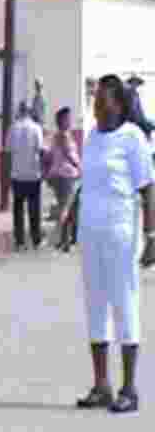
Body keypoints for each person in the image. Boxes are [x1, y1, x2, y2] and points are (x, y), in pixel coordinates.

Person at [68, 74, 155, 413]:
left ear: (118, 105)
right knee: (95, 306)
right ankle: (101, 385)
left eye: (103, 104)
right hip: (91, 234)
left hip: (121, 234)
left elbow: (148, 189)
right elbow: (85, 184)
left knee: (124, 303)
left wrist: (151, 236)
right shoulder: (91, 138)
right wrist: (70, 220)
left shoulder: (132, 138)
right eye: (94, 104)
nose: (97, 110)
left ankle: (129, 388)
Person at [7, 100, 46, 250]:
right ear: (30, 112)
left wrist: (9, 173)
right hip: (33, 174)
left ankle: (19, 241)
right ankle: (36, 240)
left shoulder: (13, 128)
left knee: (18, 209)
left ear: (19, 111)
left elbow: (8, 152)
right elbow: (41, 150)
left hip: (17, 174)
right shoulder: (36, 128)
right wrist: (43, 170)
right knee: (34, 208)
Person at [45, 107, 81, 250]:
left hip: (62, 174)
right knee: (65, 208)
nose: (70, 121)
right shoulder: (63, 136)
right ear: (62, 120)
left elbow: (49, 156)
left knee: (67, 208)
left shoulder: (61, 135)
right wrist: (79, 166)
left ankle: (64, 240)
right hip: (65, 175)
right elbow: (68, 154)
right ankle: (58, 238)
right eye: (68, 118)